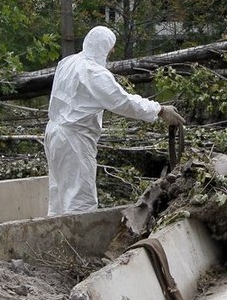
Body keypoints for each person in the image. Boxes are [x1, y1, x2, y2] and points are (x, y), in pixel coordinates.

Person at [44, 26, 186, 215]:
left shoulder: (68, 62)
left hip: (54, 133)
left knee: (59, 196)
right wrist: (159, 110)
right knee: (80, 201)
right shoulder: (94, 73)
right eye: (111, 47)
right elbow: (123, 102)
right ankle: (77, 244)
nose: (112, 51)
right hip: (74, 139)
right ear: (104, 46)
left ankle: (55, 242)